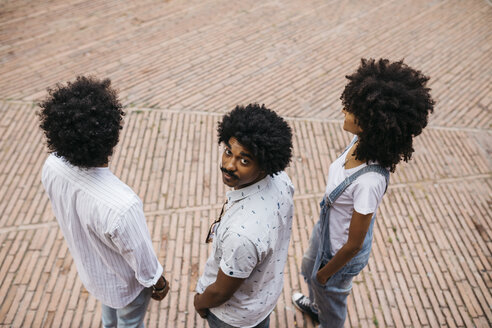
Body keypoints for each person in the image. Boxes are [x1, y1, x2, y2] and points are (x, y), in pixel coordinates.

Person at [292, 58, 435, 327]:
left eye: (354, 109)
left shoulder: (369, 182)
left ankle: (326, 319)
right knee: (307, 269)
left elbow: (354, 244)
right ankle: (315, 305)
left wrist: (326, 275)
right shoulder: (359, 140)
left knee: (329, 297)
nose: (345, 108)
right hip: (326, 233)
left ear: (372, 124)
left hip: (337, 254)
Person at [39, 76, 169, 328]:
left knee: (109, 319)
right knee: (129, 323)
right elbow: (144, 265)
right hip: (127, 286)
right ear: (112, 133)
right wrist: (160, 283)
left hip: (93, 274)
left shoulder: (51, 167)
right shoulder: (122, 205)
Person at [194, 104, 295, 328]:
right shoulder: (281, 181)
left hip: (233, 318)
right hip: (262, 299)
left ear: (264, 167)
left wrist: (200, 303)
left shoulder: (242, 235)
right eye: (229, 152)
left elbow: (220, 292)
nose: (229, 165)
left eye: (244, 160)